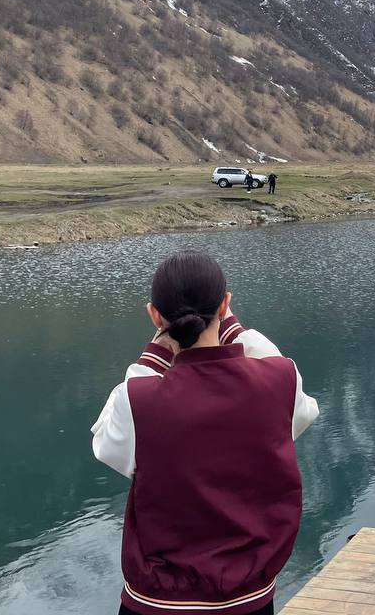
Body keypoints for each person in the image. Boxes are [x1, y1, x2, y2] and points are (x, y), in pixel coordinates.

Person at [91, 249, 319, 615]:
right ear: (225, 304)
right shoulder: (279, 382)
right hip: (249, 599)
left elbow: (106, 445)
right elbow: (301, 409)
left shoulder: (139, 399)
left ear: (154, 315)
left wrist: (154, 356)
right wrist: (237, 332)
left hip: (157, 602)